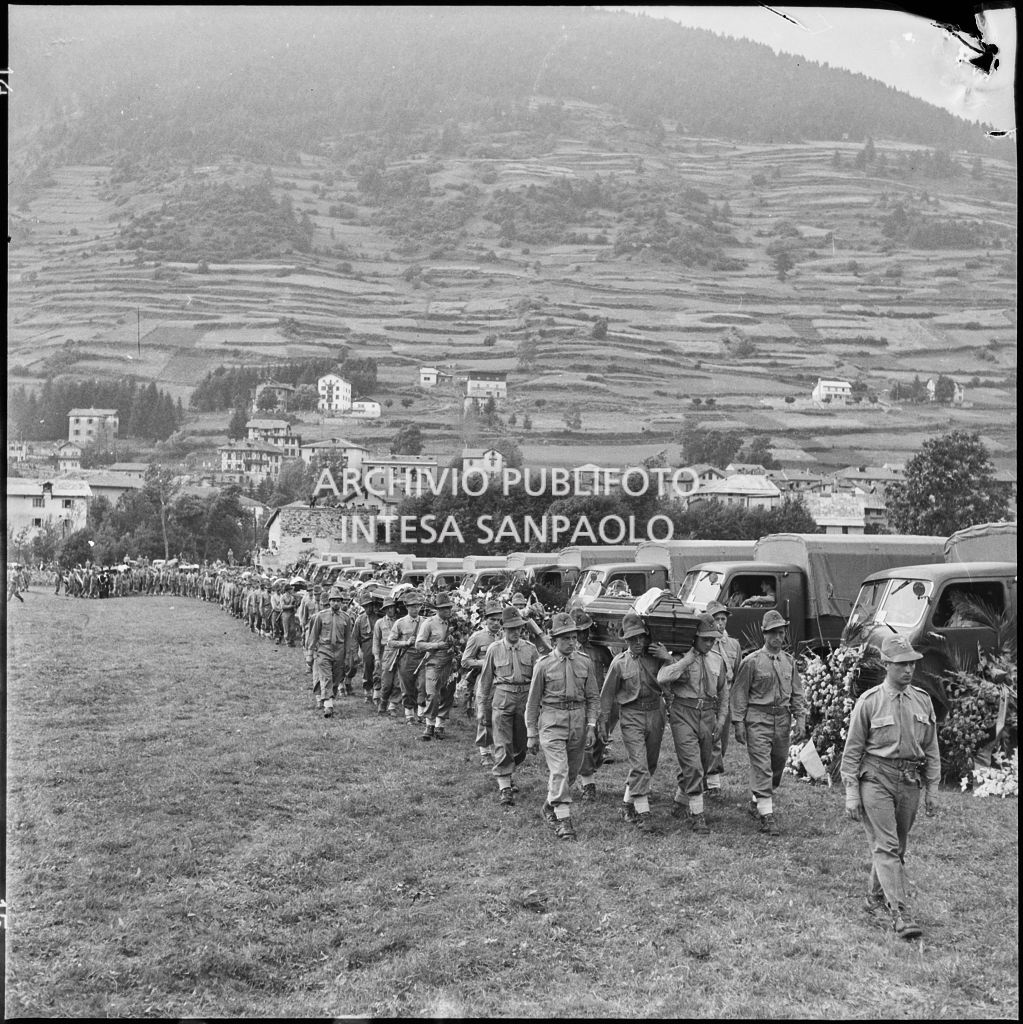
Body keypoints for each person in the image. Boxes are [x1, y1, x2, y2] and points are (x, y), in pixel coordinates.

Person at [840, 633, 940, 941]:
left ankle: (873, 897)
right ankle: (900, 913)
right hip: (876, 779)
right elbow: (852, 752)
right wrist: (852, 793)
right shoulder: (869, 702)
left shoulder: (923, 700)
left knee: (897, 845)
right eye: (901, 664)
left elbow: (932, 749)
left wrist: (932, 789)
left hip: (909, 781)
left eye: (911, 663)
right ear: (886, 664)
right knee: (887, 846)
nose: (908, 670)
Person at [730, 609, 806, 837]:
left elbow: (797, 694)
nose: (777, 637)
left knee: (777, 765)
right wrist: (738, 723)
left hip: (782, 720)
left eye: (781, 633)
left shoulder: (789, 662)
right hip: (758, 720)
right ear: (764, 634)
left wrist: (800, 718)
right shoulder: (751, 662)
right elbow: (740, 694)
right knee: (761, 765)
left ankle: (757, 801)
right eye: (772, 633)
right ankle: (767, 816)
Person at [526, 612, 601, 841]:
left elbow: (593, 698)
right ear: (554, 639)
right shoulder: (544, 665)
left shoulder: (584, 662)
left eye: (573, 637)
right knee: (559, 770)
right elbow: (532, 702)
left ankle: (550, 805)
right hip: (552, 720)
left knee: (571, 773)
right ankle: (563, 820)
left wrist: (590, 726)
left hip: (578, 721)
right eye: (565, 638)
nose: (571, 642)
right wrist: (531, 733)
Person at [655, 614, 729, 836]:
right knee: (693, 764)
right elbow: (662, 678)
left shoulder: (717, 659)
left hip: (707, 714)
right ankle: (698, 815)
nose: (709, 643)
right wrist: (687, 659)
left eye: (712, 639)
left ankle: (680, 801)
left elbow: (724, 692)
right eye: (705, 639)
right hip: (682, 714)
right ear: (695, 638)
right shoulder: (680, 657)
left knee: (703, 763)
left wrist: (722, 719)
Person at [598, 612, 667, 832]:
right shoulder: (619, 663)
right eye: (632, 639)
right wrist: (603, 722)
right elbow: (607, 695)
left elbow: (676, 676)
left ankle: (627, 803)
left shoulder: (656, 657)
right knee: (639, 764)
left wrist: (668, 658)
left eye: (641, 637)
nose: (638, 643)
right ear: (625, 641)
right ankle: (643, 811)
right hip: (631, 716)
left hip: (656, 713)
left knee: (650, 763)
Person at [479, 606, 541, 807]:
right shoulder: (494, 649)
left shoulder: (530, 649)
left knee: (521, 745)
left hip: (525, 699)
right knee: (502, 743)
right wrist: (482, 707)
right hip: (502, 698)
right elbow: (486, 680)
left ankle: (509, 770)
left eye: (519, 629)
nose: (515, 632)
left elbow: (539, 679)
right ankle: (504, 786)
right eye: (511, 629)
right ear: (503, 630)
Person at [573, 607, 615, 801]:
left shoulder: (599, 650)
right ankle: (587, 782)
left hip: (599, 700)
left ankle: (588, 769)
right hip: (578, 703)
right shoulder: (568, 650)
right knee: (585, 742)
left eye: (585, 630)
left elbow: (613, 667)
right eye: (578, 631)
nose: (582, 634)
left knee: (600, 739)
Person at [704, 600, 743, 797]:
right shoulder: (704, 644)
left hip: (725, 699)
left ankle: (708, 777)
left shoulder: (733, 644)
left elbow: (737, 675)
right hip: (709, 698)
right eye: (716, 619)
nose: (720, 623)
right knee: (711, 740)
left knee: (723, 740)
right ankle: (712, 782)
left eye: (723, 619)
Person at [461, 601, 503, 766]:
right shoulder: (477, 637)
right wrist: (485, 663)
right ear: (486, 620)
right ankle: (485, 752)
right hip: (484, 680)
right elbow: (465, 661)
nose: (495, 623)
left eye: (499, 620)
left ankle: (498, 750)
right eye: (492, 620)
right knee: (484, 714)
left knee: (500, 715)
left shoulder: (505, 636)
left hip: (502, 682)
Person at [306, 586, 357, 718]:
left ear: (341, 602)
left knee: (337, 678)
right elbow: (313, 636)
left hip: (339, 651)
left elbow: (348, 639)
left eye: (338, 601)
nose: (335, 603)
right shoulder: (321, 616)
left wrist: (347, 657)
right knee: (326, 676)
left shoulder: (346, 618)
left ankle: (328, 698)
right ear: (329, 602)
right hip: (324, 650)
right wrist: (310, 654)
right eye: (333, 600)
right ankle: (328, 705)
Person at [415, 592, 458, 740]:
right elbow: (418, 644)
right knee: (432, 694)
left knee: (447, 693)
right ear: (438, 609)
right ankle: (429, 724)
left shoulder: (453, 623)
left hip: (449, 663)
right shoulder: (429, 623)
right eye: (444, 608)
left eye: (449, 608)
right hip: (434, 663)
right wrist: (437, 645)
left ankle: (440, 725)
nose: (448, 611)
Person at [385, 590, 428, 727]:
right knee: (407, 687)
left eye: (417, 606)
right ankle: (409, 715)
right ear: (407, 607)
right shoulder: (400, 623)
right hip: (406, 658)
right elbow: (390, 642)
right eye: (412, 606)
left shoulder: (426, 622)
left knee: (423, 685)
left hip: (422, 657)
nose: (415, 609)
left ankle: (421, 714)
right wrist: (406, 643)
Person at [372, 594, 400, 715]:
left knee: (398, 682)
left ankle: (392, 706)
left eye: (392, 607)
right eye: (387, 608)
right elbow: (376, 641)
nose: (390, 610)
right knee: (386, 682)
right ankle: (383, 702)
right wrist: (377, 657)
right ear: (384, 609)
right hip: (386, 653)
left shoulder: (400, 621)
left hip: (399, 652)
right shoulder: (379, 623)